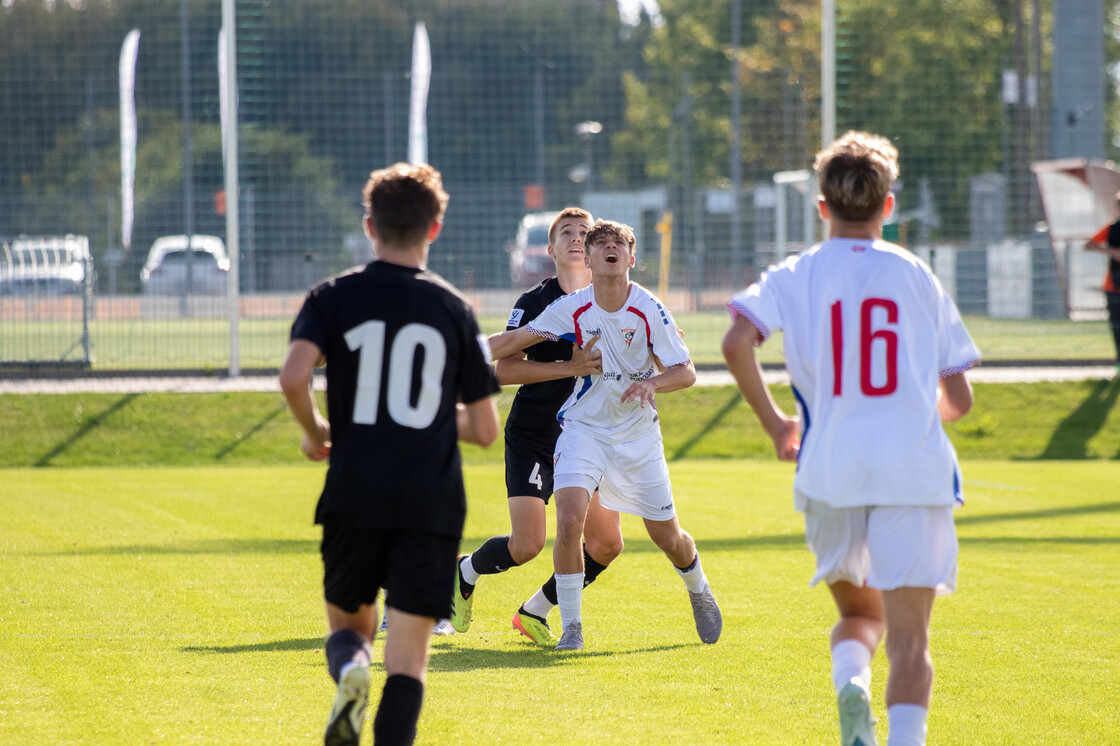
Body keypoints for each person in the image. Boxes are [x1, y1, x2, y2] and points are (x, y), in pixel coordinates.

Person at [722, 131, 979, 746]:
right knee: (911, 642)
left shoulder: (796, 273)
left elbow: (735, 342)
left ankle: (852, 684)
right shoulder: (917, 275)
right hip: (913, 471)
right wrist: (908, 413)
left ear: (821, 207)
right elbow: (960, 400)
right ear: (888, 206)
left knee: (860, 617)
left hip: (829, 467)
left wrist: (777, 423)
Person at [279, 162, 500, 746]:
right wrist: (428, 417)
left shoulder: (332, 296)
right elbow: (484, 429)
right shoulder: (455, 309)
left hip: (354, 487)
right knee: (407, 661)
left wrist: (316, 430)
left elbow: (292, 375)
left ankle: (351, 671)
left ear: (369, 225)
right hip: (430, 500)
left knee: (351, 627)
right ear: (435, 228)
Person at [489, 218, 722, 651]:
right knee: (570, 518)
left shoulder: (649, 308)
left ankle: (697, 587)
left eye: (619, 243)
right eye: (601, 243)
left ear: (631, 258)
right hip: (585, 428)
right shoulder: (572, 306)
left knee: (667, 537)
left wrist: (653, 383)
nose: (609, 248)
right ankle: (572, 629)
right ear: (590, 258)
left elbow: (685, 371)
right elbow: (515, 340)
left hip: (637, 435)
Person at [450, 207, 624, 645]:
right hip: (535, 433)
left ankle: (535, 611)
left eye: (585, 232)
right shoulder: (535, 303)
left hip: (589, 436)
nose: (577, 238)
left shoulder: (616, 299)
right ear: (550, 249)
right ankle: (464, 571)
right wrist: (571, 366)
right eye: (566, 232)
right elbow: (504, 370)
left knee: (606, 543)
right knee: (526, 545)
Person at [1083, 191, 1120, 373]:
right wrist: (1111, 252)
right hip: (1113, 286)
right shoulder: (1111, 229)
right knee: (1116, 326)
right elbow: (1088, 244)